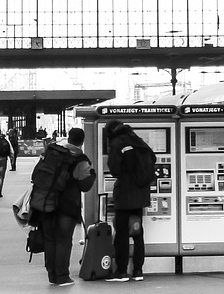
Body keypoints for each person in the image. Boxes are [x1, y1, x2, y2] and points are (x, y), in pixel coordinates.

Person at [34, 128, 95, 287]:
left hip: (46, 202)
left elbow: (37, 175)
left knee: (49, 239)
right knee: (63, 240)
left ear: (68, 137)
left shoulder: (53, 152)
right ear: (82, 141)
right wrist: (92, 173)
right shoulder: (80, 159)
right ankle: (62, 276)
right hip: (66, 206)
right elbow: (85, 185)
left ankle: (52, 275)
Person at [104, 120, 152, 282]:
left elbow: (114, 169)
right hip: (140, 193)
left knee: (122, 233)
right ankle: (138, 270)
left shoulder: (118, 143)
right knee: (137, 232)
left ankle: (122, 271)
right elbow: (152, 157)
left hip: (125, 193)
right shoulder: (137, 140)